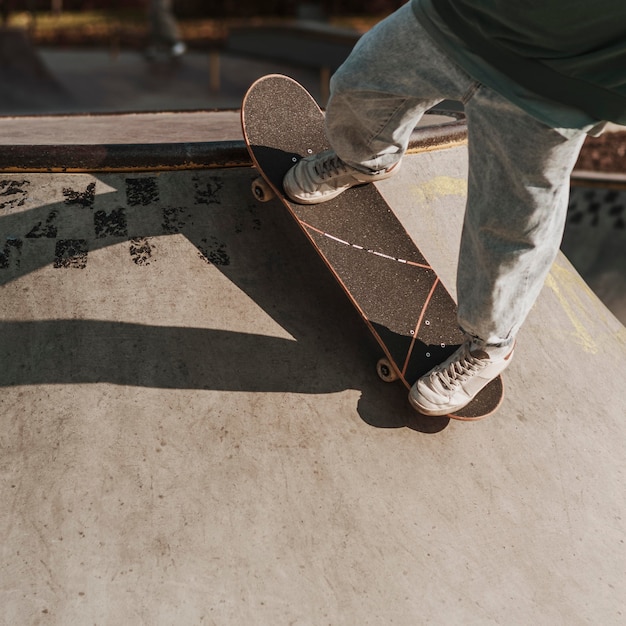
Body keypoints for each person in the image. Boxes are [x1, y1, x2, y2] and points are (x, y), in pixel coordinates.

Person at [283, 0, 626, 417]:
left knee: (508, 225)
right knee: (359, 87)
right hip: (450, 21)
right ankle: (364, 159)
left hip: (553, 88)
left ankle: (490, 346)